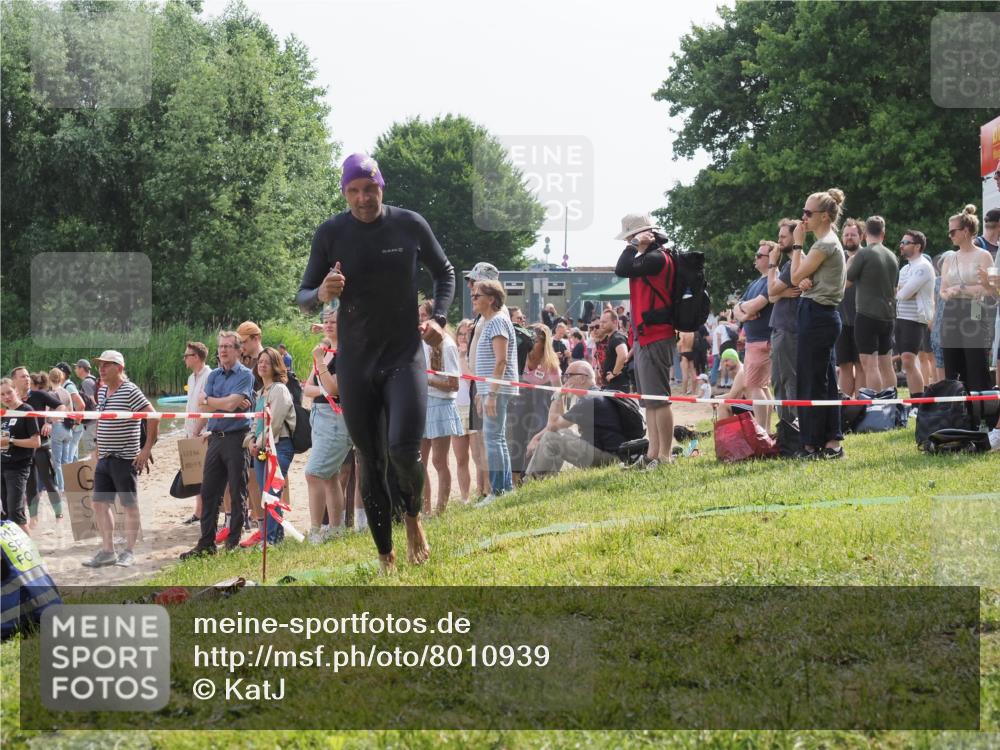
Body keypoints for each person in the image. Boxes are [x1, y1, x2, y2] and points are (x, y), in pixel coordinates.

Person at [297, 152, 455, 571]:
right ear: (345, 192)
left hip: (404, 356)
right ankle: (385, 555)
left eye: (370, 189)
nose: (363, 198)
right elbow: (303, 297)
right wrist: (321, 295)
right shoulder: (331, 233)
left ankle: (413, 518)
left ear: (381, 187)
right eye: (354, 191)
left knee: (404, 450)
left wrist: (438, 318)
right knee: (371, 461)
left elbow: (445, 272)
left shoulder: (409, 224)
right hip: (356, 365)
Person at [180, 331, 255, 558]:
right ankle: (206, 545)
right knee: (209, 491)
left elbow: (231, 405)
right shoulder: (214, 376)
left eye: (228, 346)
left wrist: (213, 402)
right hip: (215, 437)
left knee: (237, 491)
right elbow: (204, 408)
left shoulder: (245, 375)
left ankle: (233, 543)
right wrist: (220, 404)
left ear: (239, 349)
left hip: (237, 438)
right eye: (221, 346)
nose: (223, 350)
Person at [84, 351, 157, 568]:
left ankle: (129, 551)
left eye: (107, 365)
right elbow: (101, 420)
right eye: (100, 365)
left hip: (125, 459)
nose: (102, 369)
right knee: (99, 504)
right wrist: (97, 447)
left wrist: (146, 450)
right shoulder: (103, 389)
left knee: (129, 505)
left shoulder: (130, 390)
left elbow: (153, 416)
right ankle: (108, 550)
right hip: (105, 457)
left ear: (120, 368)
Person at [614, 213, 675, 470]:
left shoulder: (657, 258)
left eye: (630, 236)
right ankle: (652, 452)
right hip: (643, 336)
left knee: (659, 399)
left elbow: (621, 267)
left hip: (656, 334)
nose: (627, 242)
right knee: (649, 400)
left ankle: (665, 455)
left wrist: (634, 245)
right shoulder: (646, 258)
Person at [791, 188, 847, 459]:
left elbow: (793, 277)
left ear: (824, 216)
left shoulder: (823, 244)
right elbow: (800, 279)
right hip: (818, 313)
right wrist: (803, 279)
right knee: (824, 382)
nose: (803, 218)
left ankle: (812, 443)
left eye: (808, 213)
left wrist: (797, 245)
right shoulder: (825, 242)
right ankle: (830, 441)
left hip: (818, 315)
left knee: (812, 382)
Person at [302, 309, 354, 542]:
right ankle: (335, 528)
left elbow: (335, 389)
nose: (329, 324)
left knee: (313, 473)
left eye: (334, 321)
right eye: (326, 321)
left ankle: (316, 530)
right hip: (319, 415)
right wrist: (324, 378)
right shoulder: (324, 352)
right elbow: (308, 389)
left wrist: (321, 365)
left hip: (337, 419)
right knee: (330, 476)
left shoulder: (346, 353)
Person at [524, 362, 626, 479]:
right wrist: (537, 437)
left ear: (582, 378)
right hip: (612, 454)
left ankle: (531, 481)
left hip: (609, 460)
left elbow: (552, 425)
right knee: (563, 433)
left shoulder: (589, 400)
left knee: (550, 439)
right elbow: (560, 425)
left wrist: (557, 396)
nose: (565, 381)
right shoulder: (595, 395)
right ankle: (545, 478)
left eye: (568, 376)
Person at [939, 205, 995, 394]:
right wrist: (948, 293)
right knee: (952, 364)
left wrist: (962, 288)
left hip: (974, 309)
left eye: (953, 231)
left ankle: (982, 416)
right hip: (951, 311)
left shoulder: (983, 255)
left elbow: (991, 289)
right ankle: (957, 412)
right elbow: (942, 290)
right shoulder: (949, 258)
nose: (950, 235)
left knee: (976, 364)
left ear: (966, 231)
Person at [472, 279, 517, 503]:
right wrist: (482, 391)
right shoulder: (490, 321)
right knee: (496, 438)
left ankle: (499, 491)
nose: (473, 299)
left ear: (491, 299)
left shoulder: (498, 321)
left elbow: (501, 361)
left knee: (493, 439)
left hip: (497, 390)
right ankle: (505, 489)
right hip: (491, 389)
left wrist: (491, 393)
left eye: (477, 296)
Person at [418, 301, 462, 514]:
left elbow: (453, 384)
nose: (419, 321)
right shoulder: (419, 342)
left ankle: (440, 510)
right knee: (419, 460)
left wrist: (426, 380)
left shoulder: (447, 345)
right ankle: (424, 509)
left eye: (423, 316)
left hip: (441, 404)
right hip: (422, 403)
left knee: (439, 460)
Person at [248, 347, 295, 546]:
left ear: (276, 365)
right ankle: (275, 537)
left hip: (278, 447)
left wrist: (257, 444)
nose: (262, 364)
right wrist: (250, 441)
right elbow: (255, 423)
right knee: (265, 493)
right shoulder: (260, 393)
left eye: (267, 361)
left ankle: (272, 539)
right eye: (260, 361)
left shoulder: (279, 390)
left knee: (271, 493)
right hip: (261, 449)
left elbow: (274, 423)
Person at [846, 216, 899, 392]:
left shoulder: (863, 253)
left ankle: (876, 408)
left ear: (865, 233)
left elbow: (847, 282)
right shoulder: (892, 256)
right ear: (883, 233)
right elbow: (895, 288)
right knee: (886, 365)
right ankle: (892, 407)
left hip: (867, 315)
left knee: (870, 365)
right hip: (888, 316)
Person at [9, 367, 64, 526]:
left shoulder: (38, 394)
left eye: (27, 376)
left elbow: (61, 407)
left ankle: (59, 515)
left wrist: (49, 422)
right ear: (14, 380)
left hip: (42, 444)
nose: (27, 379)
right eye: (22, 376)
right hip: (22, 447)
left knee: (48, 480)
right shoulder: (11, 400)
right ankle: (33, 518)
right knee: (30, 484)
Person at [508, 323, 561, 485]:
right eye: (529, 339)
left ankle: (530, 477)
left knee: (535, 430)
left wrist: (558, 416)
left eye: (535, 341)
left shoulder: (550, 364)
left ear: (544, 343)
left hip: (541, 403)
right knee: (515, 438)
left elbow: (559, 393)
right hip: (520, 402)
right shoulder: (519, 357)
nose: (531, 344)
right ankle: (514, 480)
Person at [731, 241, 775, 428]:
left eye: (759, 255)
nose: (755, 258)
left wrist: (745, 310)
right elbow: (736, 309)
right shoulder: (755, 283)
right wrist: (745, 311)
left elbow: (758, 304)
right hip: (755, 341)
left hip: (763, 340)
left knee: (754, 386)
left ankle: (762, 430)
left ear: (770, 259)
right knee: (761, 387)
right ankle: (764, 431)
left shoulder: (773, 278)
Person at [767, 220, 803, 425]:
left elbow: (771, 290)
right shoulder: (791, 264)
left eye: (783, 237)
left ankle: (793, 425)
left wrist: (773, 263)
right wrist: (781, 293)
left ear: (794, 237)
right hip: (781, 328)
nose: (778, 241)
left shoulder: (793, 264)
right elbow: (772, 296)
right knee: (778, 379)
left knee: (789, 378)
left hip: (789, 329)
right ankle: (785, 425)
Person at [894, 230, 935, 400]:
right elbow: (901, 291)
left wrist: (903, 290)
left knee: (909, 360)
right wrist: (903, 290)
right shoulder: (905, 268)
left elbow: (903, 294)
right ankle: (915, 401)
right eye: (902, 242)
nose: (901, 245)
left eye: (906, 242)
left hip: (915, 319)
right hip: (901, 317)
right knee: (907, 362)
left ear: (917, 246)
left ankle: (918, 404)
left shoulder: (923, 266)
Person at [1, 378, 41, 533]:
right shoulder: (3, 413)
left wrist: (10, 441)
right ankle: (8, 554)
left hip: (18, 467)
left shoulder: (26, 410)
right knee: (4, 513)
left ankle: (31, 553)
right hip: (2, 466)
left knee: (16, 513)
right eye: (2, 394)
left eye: (9, 392)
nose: (6, 397)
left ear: (16, 391)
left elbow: (36, 442)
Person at [451, 319, 483, 504]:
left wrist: (463, 357)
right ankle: (464, 497)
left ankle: (480, 491)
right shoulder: (450, 353)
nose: (463, 337)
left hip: (472, 409)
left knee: (477, 456)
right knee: (461, 458)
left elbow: (472, 379)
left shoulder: (474, 354)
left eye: (467, 334)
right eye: (461, 334)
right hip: (456, 408)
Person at [833, 218, 864, 396]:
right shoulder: (837, 257)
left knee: (861, 365)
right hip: (840, 319)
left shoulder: (866, 256)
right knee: (844, 365)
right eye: (846, 235)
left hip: (862, 318)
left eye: (853, 234)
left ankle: (860, 407)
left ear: (861, 236)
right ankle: (845, 408)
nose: (849, 238)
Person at [182, 341, 211, 525]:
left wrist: (197, 431)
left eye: (187, 355)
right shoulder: (191, 378)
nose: (184, 358)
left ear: (197, 357)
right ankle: (198, 511)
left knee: (207, 475)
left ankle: (206, 512)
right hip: (190, 431)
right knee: (194, 475)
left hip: (203, 433)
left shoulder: (209, 375)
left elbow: (208, 407)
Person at [53, 362, 85, 464]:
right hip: (70, 426)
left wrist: (76, 423)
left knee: (68, 459)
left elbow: (81, 405)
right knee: (73, 458)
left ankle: (68, 479)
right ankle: (75, 479)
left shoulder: (68, 387)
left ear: (63, 373)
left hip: (74, 427)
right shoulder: (64, 386)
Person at [598, 309, 630, 392]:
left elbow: (623, 355)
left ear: (615, 322)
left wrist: (614, 373)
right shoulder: (612, 338)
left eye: (604, 322)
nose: (601, 325)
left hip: (617, 386)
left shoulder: (617, 338)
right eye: (600, 322)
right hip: (614, 385)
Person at [74, 358, 99, 459]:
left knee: (91, 449)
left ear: (81, 369)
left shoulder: (86, 382)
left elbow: (93, 401)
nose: (75, 370)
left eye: (76, 367)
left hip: (91, 422)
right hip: (95, 421)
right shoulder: (93, 380)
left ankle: (95, 473)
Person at [238, 321, 264, 390]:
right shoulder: (242, 360)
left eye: (244, 342)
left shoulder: (268, 362)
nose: (241, 346)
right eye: (239, 343)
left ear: (256, 339)